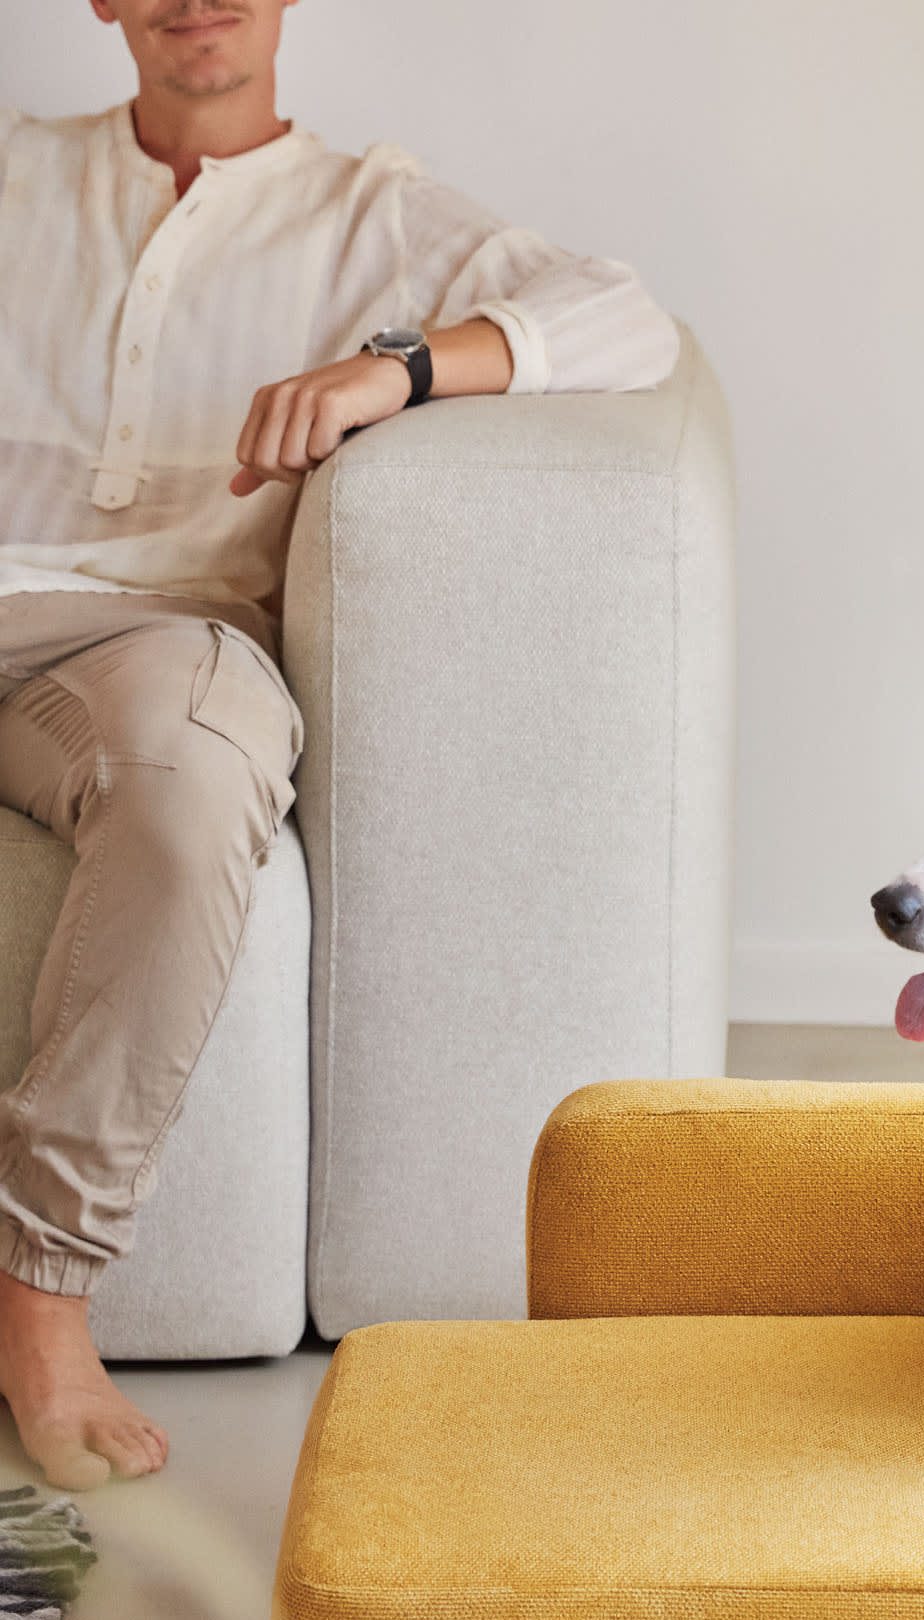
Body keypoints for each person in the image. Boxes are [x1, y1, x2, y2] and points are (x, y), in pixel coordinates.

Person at [0, 0, 679, 1490]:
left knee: (194, 797)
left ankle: (43, 1299)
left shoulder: (375, 216)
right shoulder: (19, 171)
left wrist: (400, 373)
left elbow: (625, 317)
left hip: (156, 639)